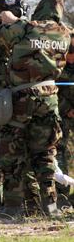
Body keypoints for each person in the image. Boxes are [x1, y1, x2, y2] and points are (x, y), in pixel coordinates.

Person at [0, 0, 70, 218]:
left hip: (22, 97)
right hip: (51, 97)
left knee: (12, 152)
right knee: (46, 153)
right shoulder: (65, 32)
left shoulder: (26, 27)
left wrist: (12, 22)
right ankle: (50, 206)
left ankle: (13, 208)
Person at [0, 0, 40, 216]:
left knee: (21, 148)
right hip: (2, 97)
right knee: (1, 150)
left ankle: (29, 200)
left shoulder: (12, 30)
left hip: (17, 95)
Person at [56, 34, 74, 208]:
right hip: (64, 117)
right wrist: (67, 109)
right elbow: (53, 91)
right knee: (60, 153)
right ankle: (62, 195)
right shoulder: (59, 68)